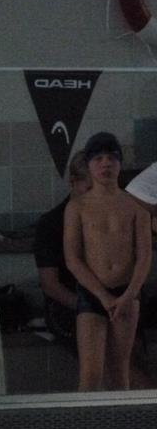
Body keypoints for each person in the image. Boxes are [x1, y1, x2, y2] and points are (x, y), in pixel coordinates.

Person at [64, 132, 152, 391]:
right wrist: (102, 295)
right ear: (89, 165)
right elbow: (73, 258)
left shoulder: (136, 207)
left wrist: (130, 294)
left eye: (112, 158)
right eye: (98, 159)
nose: (106, 164)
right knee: (90, 375)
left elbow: (144, 256)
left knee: (119, 372)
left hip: (127, 294)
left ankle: (120, 421)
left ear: (119, 164)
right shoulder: (77, 207)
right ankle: (85, 421)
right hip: (92, 294)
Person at [34, 151, 91, 344]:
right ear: (73, 182)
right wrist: (87, 306)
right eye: (90, 189)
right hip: (66, 306)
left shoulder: (111, 220)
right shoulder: (52, 224)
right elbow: (50, 285)